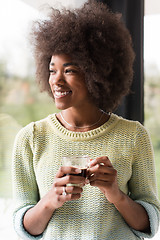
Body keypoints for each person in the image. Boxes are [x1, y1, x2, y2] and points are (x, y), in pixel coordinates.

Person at [12, 1, 160, 239]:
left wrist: (116, 195)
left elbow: (149, 224)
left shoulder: (134, 135)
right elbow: (24, 228)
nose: (57, 81)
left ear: (96, 73)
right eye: (52, 70)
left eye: (69, 70)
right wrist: (49, 201)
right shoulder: (31, 138)